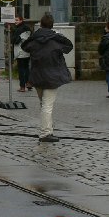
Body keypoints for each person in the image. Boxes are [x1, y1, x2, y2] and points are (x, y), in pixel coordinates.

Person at [21, 14, 73, 143]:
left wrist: (35, 34)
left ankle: (47, 128)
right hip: (52, 76)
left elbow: (24, 46)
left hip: (37, 76)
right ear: (52, 25)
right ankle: (45, 133)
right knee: (47, 106)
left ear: (41, 24)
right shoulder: (55, 40)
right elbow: (69, 46)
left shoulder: (34, 39)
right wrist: (56, 34)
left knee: (43, 104)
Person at [11, 14, 32, 92]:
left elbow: (15, 41)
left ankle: (22, 86)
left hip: (20, 51)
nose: (15, 21)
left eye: (17, 20)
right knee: (26, 68)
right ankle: (28, 82)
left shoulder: (19, 29)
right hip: (27, 51)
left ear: (21, 20)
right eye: (15, 20)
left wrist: (13, 37)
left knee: (21, 69)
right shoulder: (28, 29)